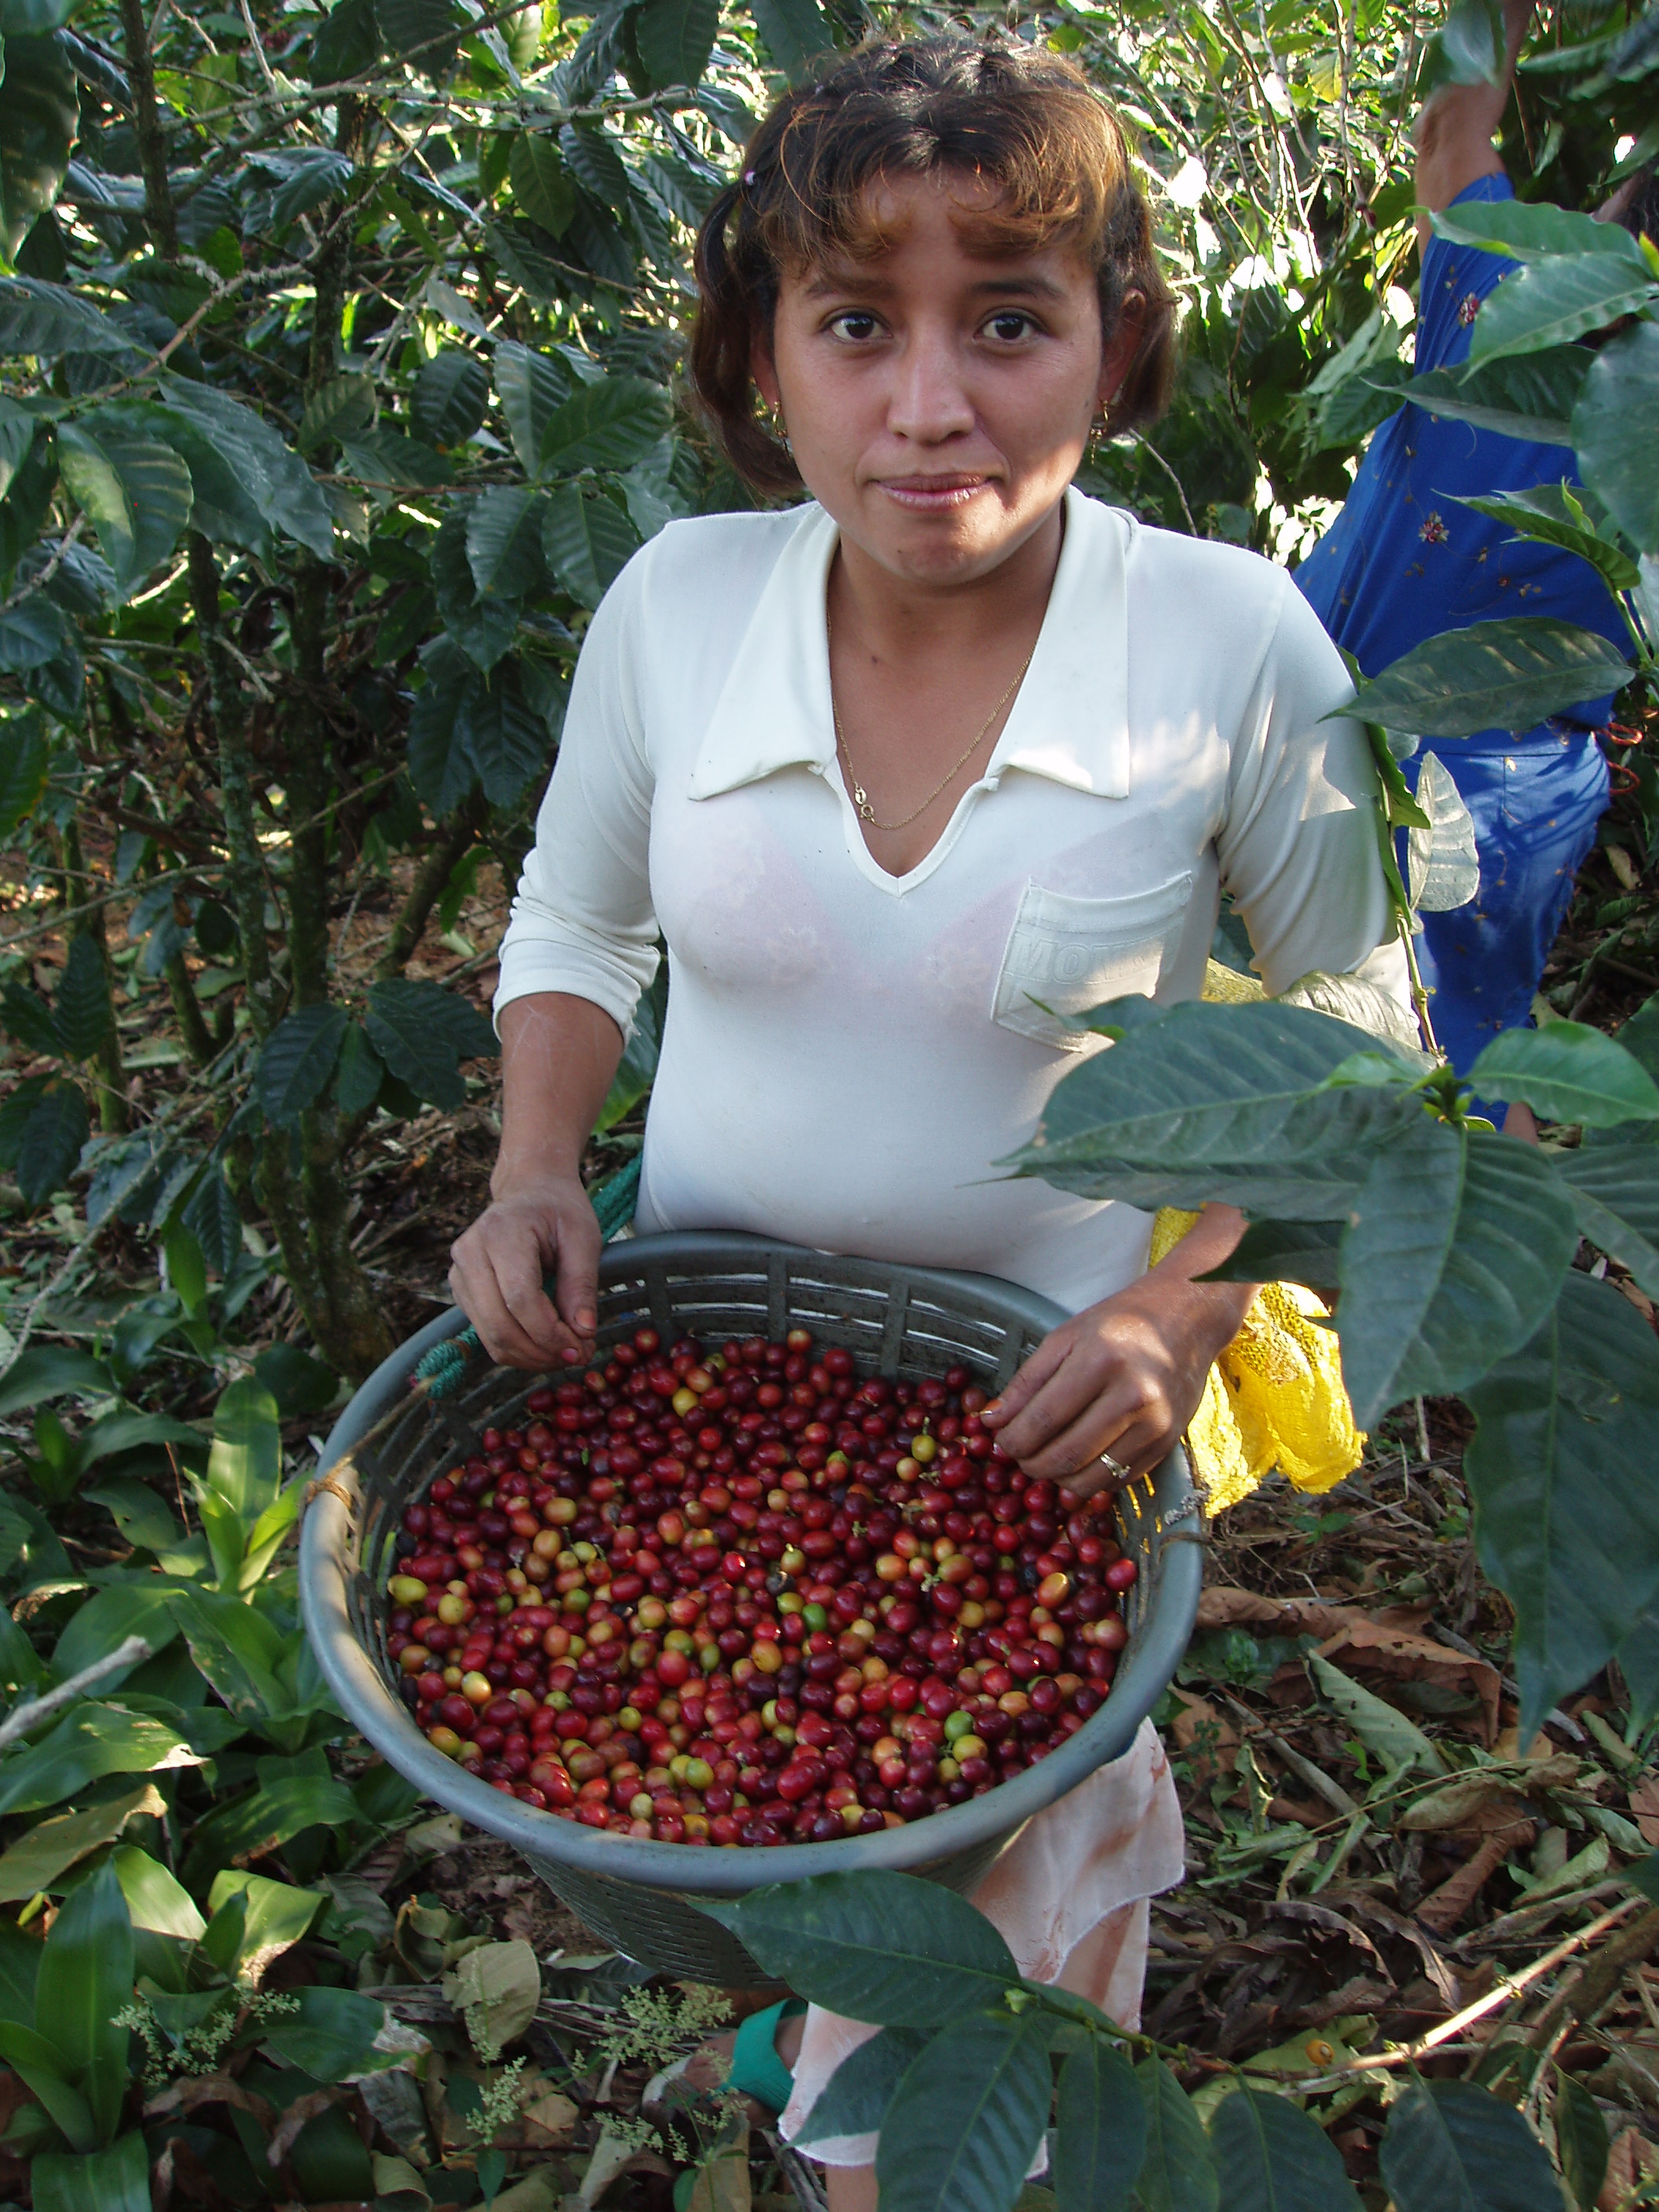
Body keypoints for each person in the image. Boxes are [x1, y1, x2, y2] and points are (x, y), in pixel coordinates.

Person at [449, 36, 1411, 2206]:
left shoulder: (1227, 645)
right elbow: (578, 923)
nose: (929, 404)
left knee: (961, 1998)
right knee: (761, 1808)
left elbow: (1355, 1024)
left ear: (1116, 346)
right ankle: (807, 2044)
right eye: (857, 324)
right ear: (760, 353)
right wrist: (532, 1169)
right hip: (689, 1400)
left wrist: (1196, 1306)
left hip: (1038, 1439)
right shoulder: (682, 607)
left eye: (1010, 320)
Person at [1295, 0, 1652, 1095]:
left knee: (1317, 1042)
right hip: (1519, 800)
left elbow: (1452, 129)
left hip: (1353, 749)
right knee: (1472, 1056)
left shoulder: (1502, 301)